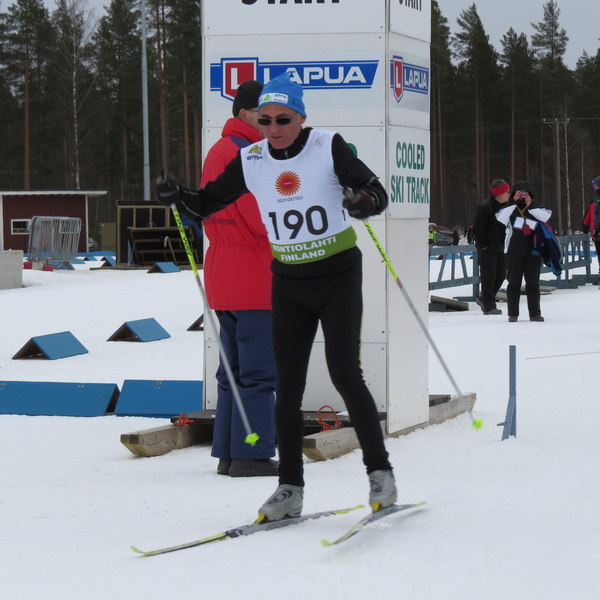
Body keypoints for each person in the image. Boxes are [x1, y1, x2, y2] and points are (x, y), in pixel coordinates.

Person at [156, 72, 396, 521]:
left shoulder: (327, 146)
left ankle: (380, 473)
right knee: (287, 386)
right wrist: (177, 196)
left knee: (346, 373)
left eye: (283, 119)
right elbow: (206, 203)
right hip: (288, 278)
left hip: (337, 274)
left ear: (301, 117)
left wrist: (364, 202)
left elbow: (377, 192)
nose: (273, 128)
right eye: (265, 120)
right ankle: (290, 487)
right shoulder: (251, 159)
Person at [200, 80, 277, 478]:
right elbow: (261, 219)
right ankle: (252, 453)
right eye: (264, 115)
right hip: (252, 274)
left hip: (225, 271)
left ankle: (229, 452)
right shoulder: (246, 154)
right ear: (245, 114)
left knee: (232, 371)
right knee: (257, 372)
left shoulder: (221, 149)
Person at [496, 181, 552, 322]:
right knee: (513, 283)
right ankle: (513, 314)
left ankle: (535, 313)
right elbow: (500, 218)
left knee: (533, 283)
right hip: (514, 251)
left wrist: (530, 205)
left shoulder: (537, 207)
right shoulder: (509, 208)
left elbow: (545, 217)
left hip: (533, 251)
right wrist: (513, 202)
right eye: (519, 194)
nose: (522, 196)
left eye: (525, 194)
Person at [472, 179, 510, 315]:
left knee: (501, 274)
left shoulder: (506, 206)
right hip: (488, 247)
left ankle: (485, 298)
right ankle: (489, 305)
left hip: (500, 246)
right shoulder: (485, 207)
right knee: (488, 277)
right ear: (499, 193)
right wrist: (483, 245)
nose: (509, 194)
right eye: (507, 192)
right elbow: (478, 228)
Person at [582, 175, 600, 275]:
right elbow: (589, 217)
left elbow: (588, 217)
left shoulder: (594, 202)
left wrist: (585, 227)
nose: (594, 188)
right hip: (596, 232)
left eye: (595, 186)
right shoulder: (595, 201)